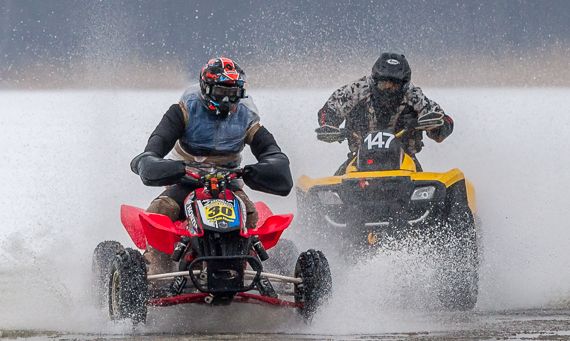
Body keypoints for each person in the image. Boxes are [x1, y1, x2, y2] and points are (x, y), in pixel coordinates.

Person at [130, 57, 293, 252]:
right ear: (205, 88)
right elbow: (158, 142)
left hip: (228, 183)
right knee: (160, 213)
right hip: (185, 180)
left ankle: (249, 263)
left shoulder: (247, 117)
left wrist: (267, 167)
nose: (226, 100)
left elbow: (271, 150)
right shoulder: (184, 110)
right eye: (221, 92)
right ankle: (156, 265)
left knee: (250, 217)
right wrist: (151, 160)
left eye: (232, 93)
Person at [315, 53, 453, 170]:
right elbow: (328, 111)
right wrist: (330, 127)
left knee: (433, 191)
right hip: (359, 161)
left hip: (405, 163)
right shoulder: (357, 90)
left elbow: (444, 120)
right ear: (374, 81)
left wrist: (435, 126)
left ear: (404, 85)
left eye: (394, 84)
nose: (388, 89)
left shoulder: (414, 96)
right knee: (331, 189)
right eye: (384, 83)